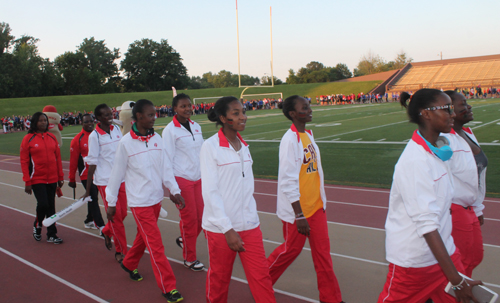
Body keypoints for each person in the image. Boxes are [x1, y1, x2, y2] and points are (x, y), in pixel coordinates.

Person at [377, 89, 482, 303]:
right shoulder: (416, 161)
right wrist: (457, 280)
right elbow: (427, 225)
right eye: (445, 109)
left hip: (446, 253)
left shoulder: (438, 150)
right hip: (415, 262)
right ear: (426, 114)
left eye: (451, 109)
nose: (452, 114)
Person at [105, 99, 185, 302]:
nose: (154, 118)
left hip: (156, 199)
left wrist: (174, 190)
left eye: (154, 114)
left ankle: (129, 263)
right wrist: (111, 202)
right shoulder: (125, 143)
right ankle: (169, 287)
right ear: (138, 117)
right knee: (156, 245)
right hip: (140, 203)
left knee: (144, 237)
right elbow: (116, 174)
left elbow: (165, 167)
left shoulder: (157, 138)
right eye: (150, 115)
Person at [267, 95, 344, 303]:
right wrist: (299, 214)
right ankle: (262, 282)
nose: (310, 110)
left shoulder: (308, 134)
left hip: (316, 207)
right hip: (298, 211)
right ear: (293, 114)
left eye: (309, 106)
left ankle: (331, 298)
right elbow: (287, 180)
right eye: (305, 107)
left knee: (323, 256)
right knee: (289, 251)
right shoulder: (289, 140)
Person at [201, 96, 276, 303]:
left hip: (250, 224)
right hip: (221, 229)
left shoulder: (244, 146)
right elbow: (210, 191)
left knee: (261, 278)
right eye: (236, 113)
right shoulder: (210, 147)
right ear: (223, 118)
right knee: (219, 280)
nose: (243, 116)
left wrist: (251, 217)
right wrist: (227, 229)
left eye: (243, 112)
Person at [442, 91, 487, 277]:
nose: (468, 106)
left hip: (469, 207)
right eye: (463, 104)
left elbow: (477, 177)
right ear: (450, 110)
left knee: (475, 256)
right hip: (455, 208)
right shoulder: (445, 140)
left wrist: (477, 208)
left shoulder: (468, 133)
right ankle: (454, 294)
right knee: (462, 261)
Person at [162, 93, 205, 271]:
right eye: (183, 106)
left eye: (189, 105)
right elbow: (166, 160)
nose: (188, 109)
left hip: (199, 178)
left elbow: (202, 152)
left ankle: (184, 240)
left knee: (203, 218)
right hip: (182, 179)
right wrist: (173, 188)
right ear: (175, 109)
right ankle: (190, 258)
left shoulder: (196, 126)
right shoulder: (170, 130)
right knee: (189, 219)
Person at [84, 103, 128, 263]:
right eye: (106, 115)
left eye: (111, 114)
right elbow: (92, 163)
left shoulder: (116, 130)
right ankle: (121, 251)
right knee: (116, 218)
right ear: (98, 118)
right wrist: (88, 190)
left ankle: (107, 232)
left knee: (122, 214)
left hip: (120, 179)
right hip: (105, 182)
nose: (110, 117)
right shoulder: (94, 136)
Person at [20, 112, 64, 244]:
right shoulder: (28, 139)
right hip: (37, 178)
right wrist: (27, 181)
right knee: (43, 204)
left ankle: (52, 234)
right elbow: (24, 161)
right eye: (40, 121)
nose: (43, 123)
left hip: (52, 178)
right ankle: (38, 225)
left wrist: (60, 177)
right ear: (35, 123)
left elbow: (58, 158)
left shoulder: (52, 137)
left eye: (45, 120)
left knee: (51, 207)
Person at [68, 113, 105, 231]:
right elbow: (73, 161)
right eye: (86, 122)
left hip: (99, 173)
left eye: (91, 121)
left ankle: (89, 220)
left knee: (92, 197)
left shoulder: (99, 136)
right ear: (81, 123)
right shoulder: (77, 140)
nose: (89, 124)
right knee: (93, 196)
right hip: (85, 174)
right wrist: (72, 179)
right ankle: (101, 226)